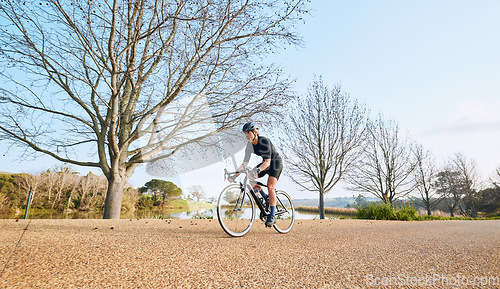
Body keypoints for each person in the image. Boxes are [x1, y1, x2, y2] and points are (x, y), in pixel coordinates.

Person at [229, 122, 283, 227]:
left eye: (248, 133)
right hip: (265, 163)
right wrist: (235, 175)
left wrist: (257, 170)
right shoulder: (249, 146)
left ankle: (272, 215)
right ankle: (264, 196)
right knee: (249, 177)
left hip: (275, 163)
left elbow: (267, 162)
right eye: (245, 133)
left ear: (255, 132)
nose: (246, 135)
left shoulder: (264, 141)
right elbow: (244, 164)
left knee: (270, 186)